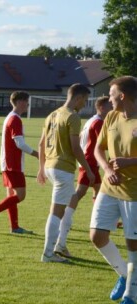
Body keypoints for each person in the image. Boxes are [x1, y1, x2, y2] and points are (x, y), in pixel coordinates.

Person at [89, 76, 137, 303]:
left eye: (112, 93)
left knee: (132, 244)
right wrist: (107, 170)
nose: (109, 98)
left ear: (123, 96)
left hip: (133, 192)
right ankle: (122, 274)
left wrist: (130, 162)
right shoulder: (111, 116)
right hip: (109, 187)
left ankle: (131, 293)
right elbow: (98, 149)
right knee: (96, 236)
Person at [37, 83, 94, 263]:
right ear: (77, 98)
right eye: (84, 100)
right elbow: (76, 148)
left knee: (68, 205)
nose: (85, 104)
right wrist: (88, 169)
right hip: (63, 168)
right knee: (56, 212)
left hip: (51, 166)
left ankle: (60, 245)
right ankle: (48, 253)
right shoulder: (73, 117)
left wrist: (41, 168)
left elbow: (41, 144)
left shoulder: (52, 115)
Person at [55, 96, 112, 258]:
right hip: (90, 162)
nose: (112, 110)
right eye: (109, 107)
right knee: (79, 193)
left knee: (99, 190)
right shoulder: (99, 122)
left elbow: (81, 138)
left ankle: (99, 220)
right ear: (101, 107)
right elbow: (106, 143)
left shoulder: (90, 121)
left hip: (88, 161)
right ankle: (65, 217)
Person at [0, 91, 38, 234]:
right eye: (26, 101)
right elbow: (19, 143)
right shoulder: (15, 119)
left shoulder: (10, 117)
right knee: (20, 195)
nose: (28, 104)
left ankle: (14, 227)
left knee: (11, 196)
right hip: (13, 164)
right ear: (20, 102)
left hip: (7, 163)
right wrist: (36, 154)